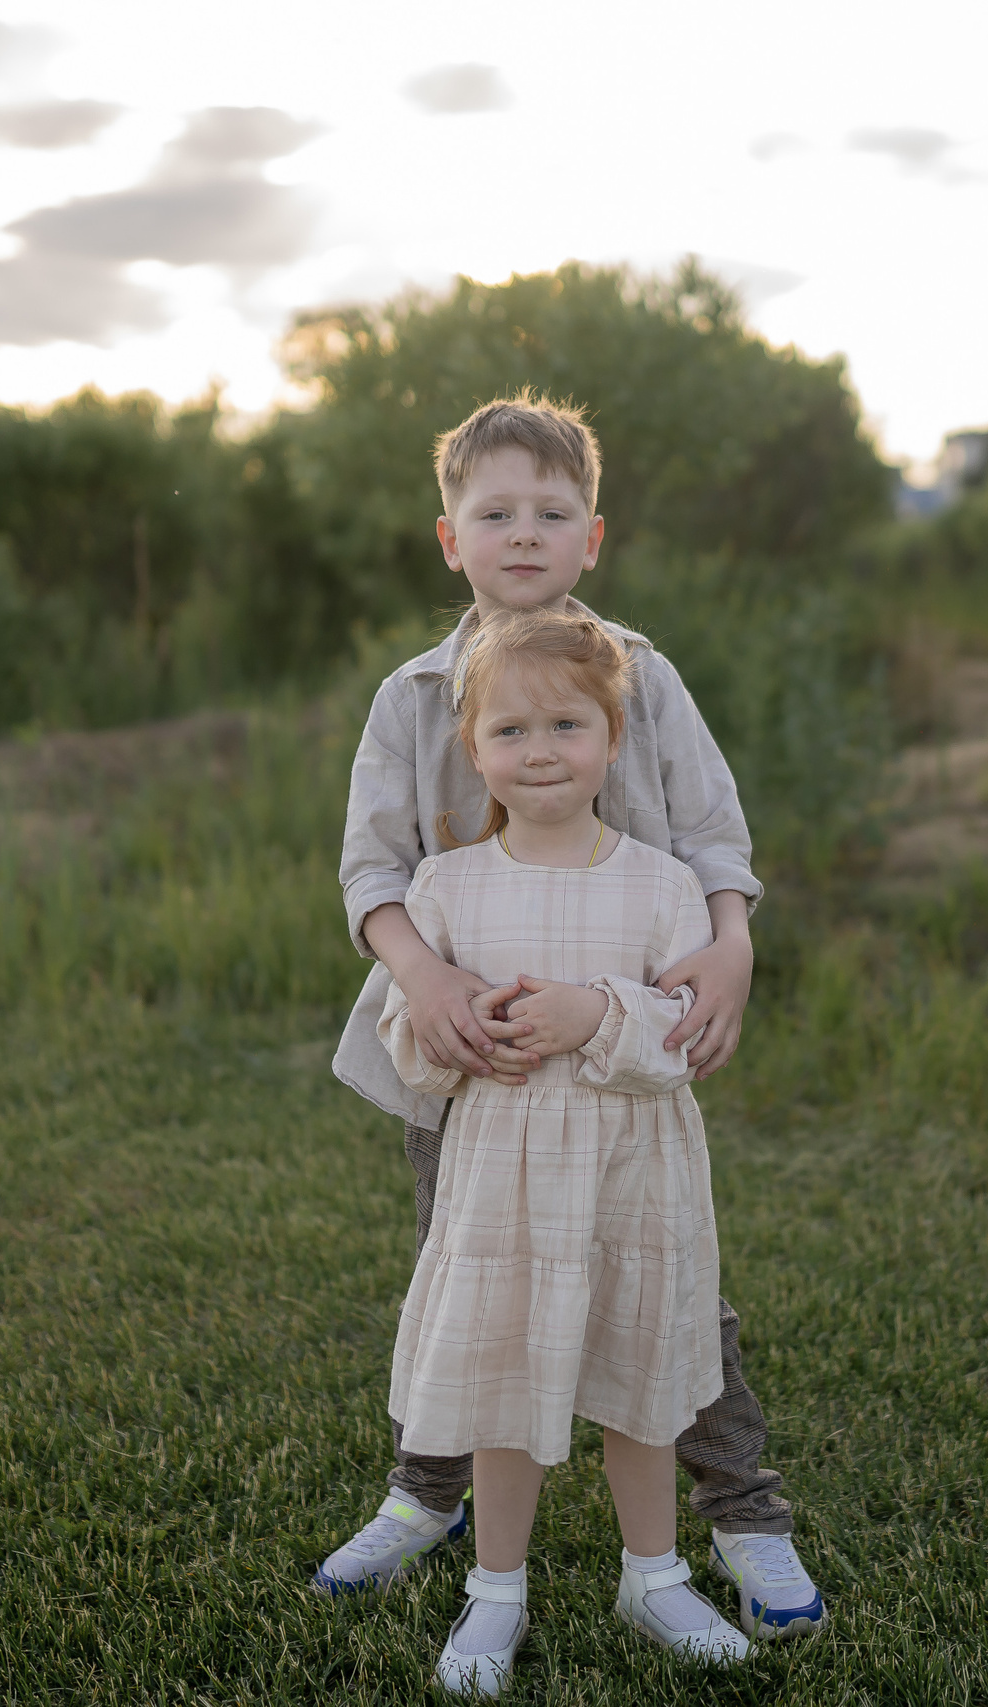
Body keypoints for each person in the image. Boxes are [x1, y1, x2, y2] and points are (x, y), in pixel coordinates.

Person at [322, 396, 827, 1649]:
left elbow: (712, 835)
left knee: (668, 1289)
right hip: (471, 1052)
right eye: (494, 513)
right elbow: (372, 874)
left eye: (550, 513)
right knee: (463, 1270)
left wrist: (731, 946)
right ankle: (424, 1495)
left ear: (591, 537)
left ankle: (741, 1509)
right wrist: (422, 985)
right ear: (451, 540)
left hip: (624, 1026)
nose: (523, 534)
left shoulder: (638, 677)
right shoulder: (412, 694)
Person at [380, 604, 750, 1693]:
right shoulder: (446, 887)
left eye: (566, 728)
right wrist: (461, 1024)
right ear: (473, 750)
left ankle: (655, 1572)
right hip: (504, 1184)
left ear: (612, 740)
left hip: (634, 1174)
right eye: (511, 733)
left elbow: (684, 1042)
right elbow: (414, 1049)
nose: (539, 753)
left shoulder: (659, 884)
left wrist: (595, 1016)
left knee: (637, 1375)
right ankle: (495, 1589)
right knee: (504, 1377)